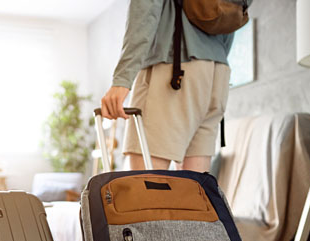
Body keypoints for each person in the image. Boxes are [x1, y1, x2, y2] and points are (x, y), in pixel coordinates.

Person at [101, 0, 240, 172]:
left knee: (144, 190)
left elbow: (146, 7)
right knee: (194, 189)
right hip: (217, 73)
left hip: (174, 67)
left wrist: (122, 79)